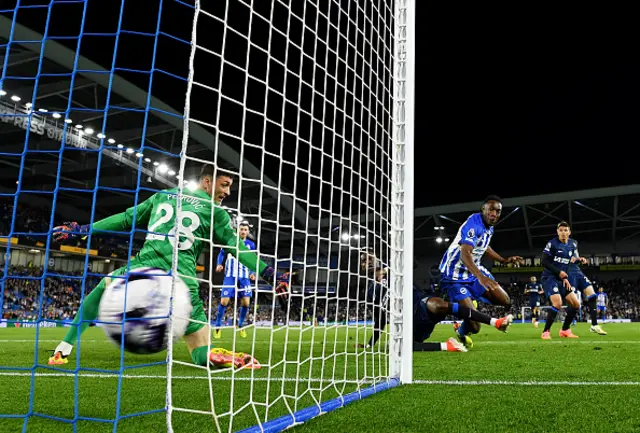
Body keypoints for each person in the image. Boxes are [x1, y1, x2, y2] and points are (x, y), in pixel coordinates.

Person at [48, 164, 289, 369]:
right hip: (182, 280)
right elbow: (237, 247)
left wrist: (83, 231)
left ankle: (63, 349)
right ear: (207, 182)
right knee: (198, 349)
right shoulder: (217, 212)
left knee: (102, 287)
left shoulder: (163, 196)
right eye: (224, 185)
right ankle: (216, 355)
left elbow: (124, 219)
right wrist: (269, 274)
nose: (227, 191)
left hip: (143, 270)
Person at [357, 248, 513, 353]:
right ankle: (448, 345)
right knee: (402, 347)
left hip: (420, 304)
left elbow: (413, 262)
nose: (368, 262)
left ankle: (495, 322)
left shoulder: (394, 270)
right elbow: (380, 318)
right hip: (409, 323)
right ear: (362, 268)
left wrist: (388, 269)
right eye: (364, 262)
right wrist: (371, 344)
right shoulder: (370, 292)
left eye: (370, 258)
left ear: (378, 259)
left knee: (439, 305)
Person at [438, 195, 523, 348]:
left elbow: (485, 247)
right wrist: (481, 277)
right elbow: (465, 254)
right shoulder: (473, 225)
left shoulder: (489, 227)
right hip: (454, 276)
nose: (494, 214)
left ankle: (466, 317)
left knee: (505, 301)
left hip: (473, 271)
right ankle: (463, 326)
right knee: (475, 328)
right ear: (483, 209)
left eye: (498, 211)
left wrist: (503, 260)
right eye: (491, 209)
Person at [214, 221, 256, 339]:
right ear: (238, 230)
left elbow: (253, 259)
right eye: (241, 229)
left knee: (246, 303)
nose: (243, 231)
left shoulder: (251, 245)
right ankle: (217, 327)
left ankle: (240, 325)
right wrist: (219, 264)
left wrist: (252, 273)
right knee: (224, 302)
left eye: (245, 230)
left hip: (244, 276)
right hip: (230, 275)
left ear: (248, 232)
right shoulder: (230, 241)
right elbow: (222, 253)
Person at [539, 221, 581, 339]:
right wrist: (558, 272)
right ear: (557, 232)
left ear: (569, 232)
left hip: (562, 279)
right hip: (549, 277)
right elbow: (544, 261)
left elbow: (567, 264)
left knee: (576, 304)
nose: (563, 232)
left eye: (565, 230)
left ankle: (565, 330)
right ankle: (545, 332)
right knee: (558, 303)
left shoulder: (573, 244)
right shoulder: (552, 244)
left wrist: (565, 277)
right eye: (561, 230)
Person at [568, 248, 607, 335]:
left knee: (593, 296)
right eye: (562, 232)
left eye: (566, 232)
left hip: (578, 272)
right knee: (573, 303)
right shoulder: (555, 245)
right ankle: (566, 327)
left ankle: (594, 325)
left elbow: (575, 259)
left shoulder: (573, 244)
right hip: (568, 274)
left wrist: (580, 259)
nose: (564, 233)